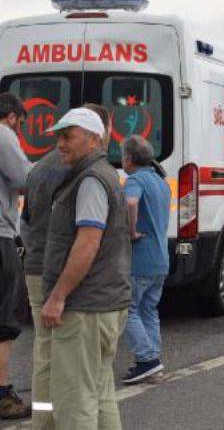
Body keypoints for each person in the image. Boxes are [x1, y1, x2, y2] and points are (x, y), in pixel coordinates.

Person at [41, 107, 132, 428]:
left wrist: (58, 296)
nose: (60, 144)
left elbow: (88, 242)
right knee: (100, 392)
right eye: (58, 138)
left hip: (85, 308)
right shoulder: (103, 174)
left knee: (74, 401)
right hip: (105, 302)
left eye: (68, 137)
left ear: (94, 139)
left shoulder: (90, 179)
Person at [20, 103, 110, 427]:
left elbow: (25, 221)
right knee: (74, 357)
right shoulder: (81, 170)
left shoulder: (38, 168)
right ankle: (66, 417)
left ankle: (43, 421)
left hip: (34, 265)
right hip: (63, 270)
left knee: (44, 350)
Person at [120, 136, 171, 384]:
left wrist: (131, 232)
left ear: (129, 158)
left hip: (140, 257)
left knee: (127, 309)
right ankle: (153, 363)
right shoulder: (161, 182)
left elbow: (131, 202)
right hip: (161, 258)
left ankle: (147, 358)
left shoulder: (135, 179)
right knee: (149, 310)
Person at [0, 93, 33, 420]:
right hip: (0, 234)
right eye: (21, 124)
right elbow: (24, 179)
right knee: (5, 317)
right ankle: (2, 395)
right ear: (12, 117)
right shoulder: (3, 134)